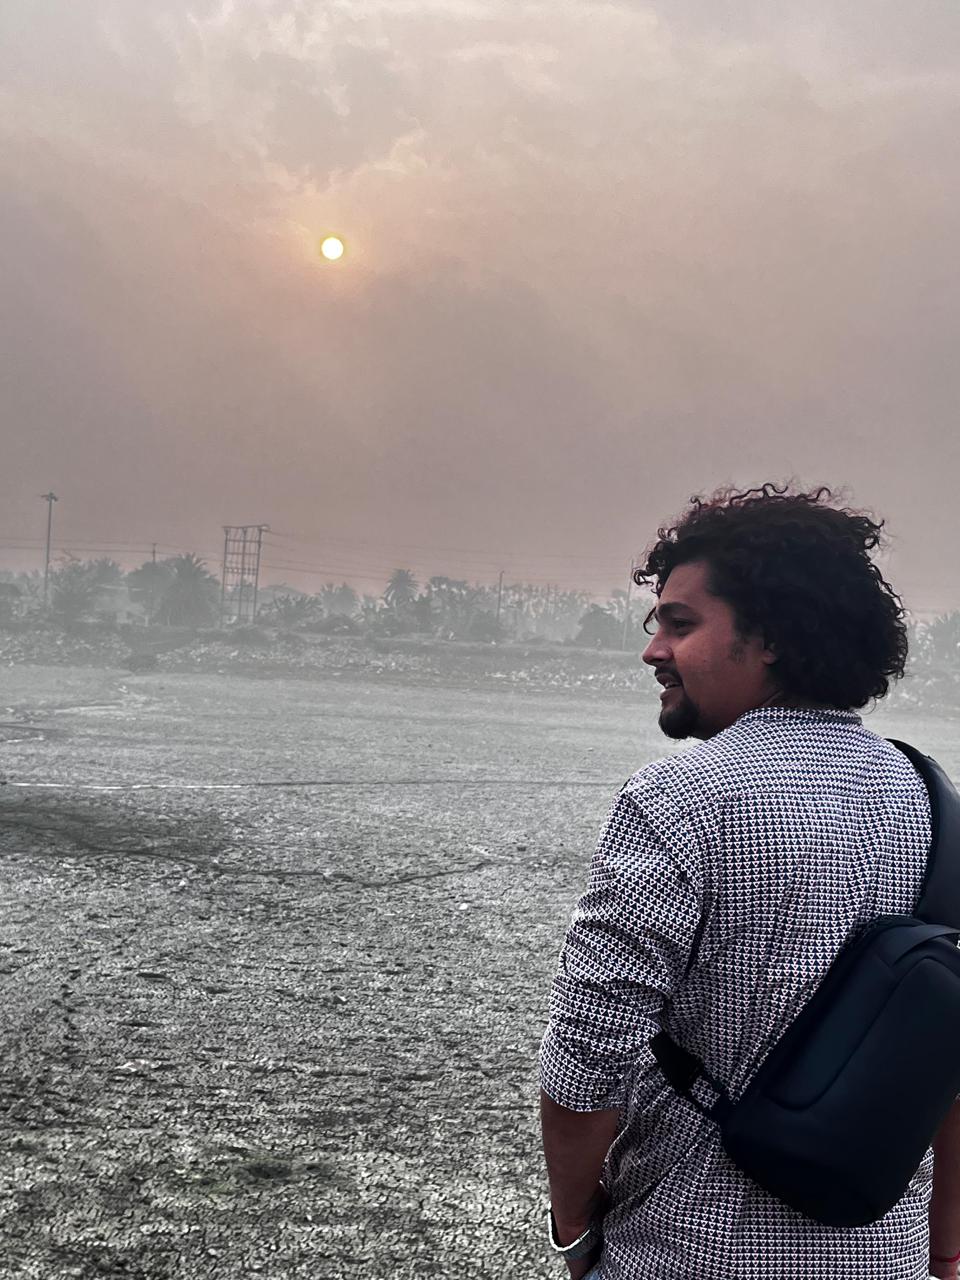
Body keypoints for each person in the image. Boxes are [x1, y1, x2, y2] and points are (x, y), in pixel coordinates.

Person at [539, 484, 960, 1280]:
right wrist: (944, 1252)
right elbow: (947, 1066)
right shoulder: (934, 802)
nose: (653, 650)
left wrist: (573, 1230)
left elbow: (586, 1061)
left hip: (693, 1249)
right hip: (885, 1256)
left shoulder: (678, 800)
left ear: (770, 637)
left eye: (680, 624)